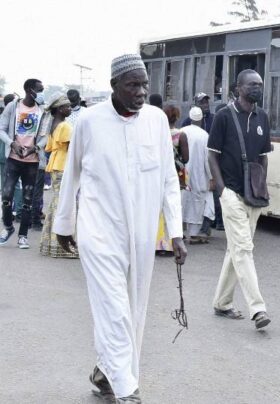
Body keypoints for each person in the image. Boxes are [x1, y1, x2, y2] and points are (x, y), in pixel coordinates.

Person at [54, 54, 186, 402]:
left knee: (134, 309)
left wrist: (175, 231)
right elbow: (73, 174)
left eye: (145, 84)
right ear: (114, 86)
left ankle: (106, 372)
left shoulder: (156, 121)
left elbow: (169, 179)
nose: (141, 92)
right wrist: (64, 222)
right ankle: (128, 389)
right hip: (98, 230)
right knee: (113, 307)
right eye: (133, 85)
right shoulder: (90, 121)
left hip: (142, 233)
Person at [209, 69, 272, 330]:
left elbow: (264, 156)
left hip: (253, 194)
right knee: (244, 248)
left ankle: (222, 302)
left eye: (260, 84)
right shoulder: (224, 116)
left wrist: (261, 184)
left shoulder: (262, 118)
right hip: (232, 193)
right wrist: (222, 190)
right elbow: (212, 155)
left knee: (235, 249)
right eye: (252, 84)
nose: (257, 88)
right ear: (239, 88)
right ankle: (257, 308)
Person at [0, 78, 49, 249]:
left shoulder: (42, 111)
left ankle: (23, 236)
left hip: (32, 161)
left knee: (28, 199)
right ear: (29, 89)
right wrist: (11, 143)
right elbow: (1, 129)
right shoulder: (13, 107)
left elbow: (45, 136)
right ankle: (8, 228)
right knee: (6, 195)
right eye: (39, 89)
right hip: (13, 159)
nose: (42, 93)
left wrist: (35, 148)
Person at [40, 93, 78, 258]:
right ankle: (62, 244)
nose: (70, 108)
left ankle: (50, 243)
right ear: (60, 109)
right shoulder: (65, 126)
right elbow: (72, 148)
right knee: (64, 205)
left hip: (56, 165)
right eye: (67, 106)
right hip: (63, 166)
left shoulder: (54, 124)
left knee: (56, 203)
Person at [156, 105, 188, 256]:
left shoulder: (158, 134)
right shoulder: (180, 135)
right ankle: (170, 243)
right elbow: (186, 158)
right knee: (173, 207)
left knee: (160, 210)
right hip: (175, 174)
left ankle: (158, 243)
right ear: (176, 117)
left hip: (158, 174)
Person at [181, 107, 215, 243]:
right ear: (201, 119)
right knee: (198, 204)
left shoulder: (182, 131)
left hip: (182, 175)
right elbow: (208, 159)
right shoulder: (205, 136)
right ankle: (194, 234)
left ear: (189, 118)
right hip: (200, 176)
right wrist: (212, 178)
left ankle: (179, 232)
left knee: (182, 202)